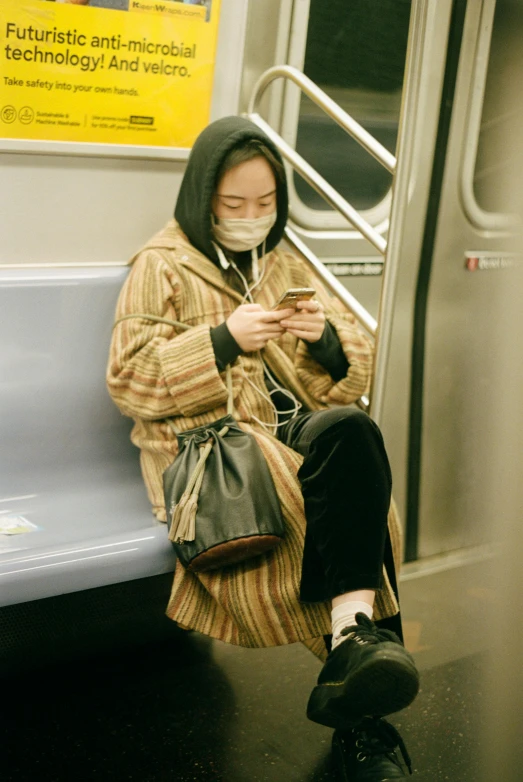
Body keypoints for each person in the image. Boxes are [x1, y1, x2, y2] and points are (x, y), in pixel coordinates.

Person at [107, 115, 419, 779]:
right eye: (232, 205)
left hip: (283, 431)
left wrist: (322, 339)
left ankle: (352, 638)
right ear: (202, 199)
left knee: (353, 433)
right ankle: (363, 696)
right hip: (210, 450)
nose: (251, 218)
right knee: (339, 513)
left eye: (265, 204)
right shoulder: (160, 266)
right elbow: (129, 380)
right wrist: (222, 339)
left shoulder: (281, 263)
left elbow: (340, 384)